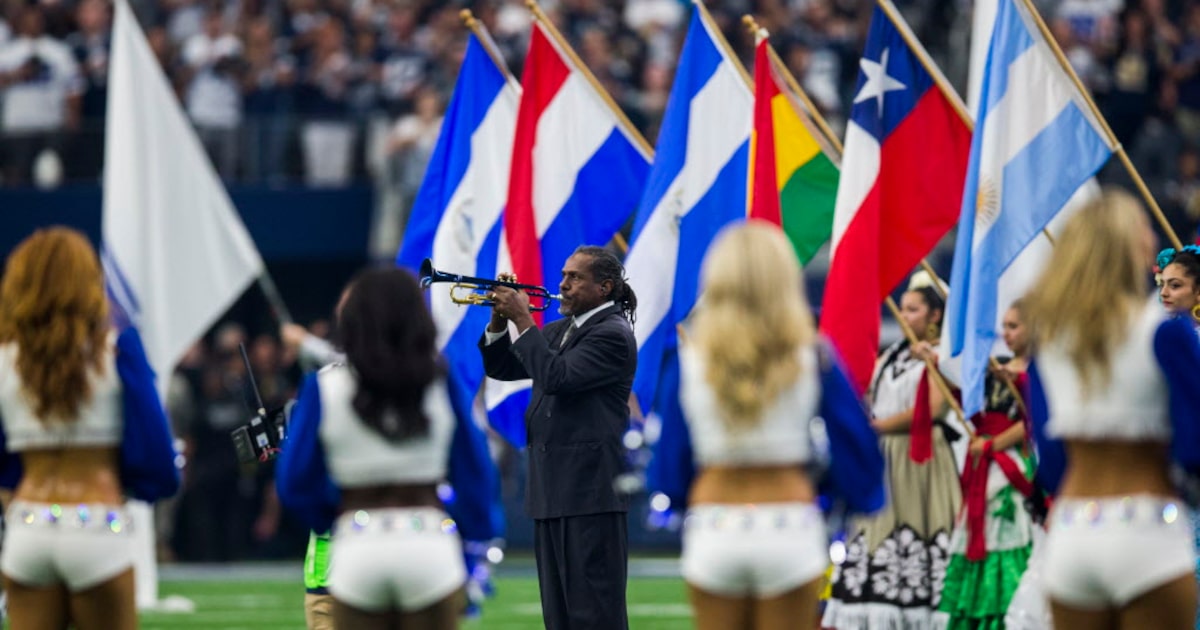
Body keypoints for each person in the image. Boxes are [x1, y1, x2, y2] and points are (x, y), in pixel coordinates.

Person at [672, 222, 884, 630]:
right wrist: (841, 496)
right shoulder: (814, 355)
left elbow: (672, 465)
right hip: (789, 524)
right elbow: (857, 449)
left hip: (715, 524)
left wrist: (683, 499)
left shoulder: (691, 361)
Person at [1024, 189, 1200, 629]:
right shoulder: (1164, 332)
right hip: (1147, 531)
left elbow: (1050, 464)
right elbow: (1194, 444)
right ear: (1133, 248)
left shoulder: (1048, 341)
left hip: (1073, 532)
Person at [277, 267, 478, 630]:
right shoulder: (441, 380)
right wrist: (469, 537)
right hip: (429, 546)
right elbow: (476, 475)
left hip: (358, 548)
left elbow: (294, 484)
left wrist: (332, 516)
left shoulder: (321, 386)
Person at [0, 227, 179, 630]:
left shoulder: (5, 358)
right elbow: (157, 458)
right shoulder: (118, 349)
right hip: (98, 525)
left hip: (27, 524)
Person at [479, 245, 637, 630]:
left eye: (574, 277)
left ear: (604, 288)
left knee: (594, 616)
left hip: (590, 495)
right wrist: (500, 321)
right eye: (564, 275)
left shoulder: (612, 333)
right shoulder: (566, 329)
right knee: (560, 618)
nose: (562, 285)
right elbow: (501, 367)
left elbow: (556, 377)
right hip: (553, 492)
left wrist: (523, 318)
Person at [822, 271, 963, 629]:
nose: (904, 316)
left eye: (914, 309)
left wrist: (878, 426)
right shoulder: (891, 357)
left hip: (921, 463)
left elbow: (933, 409)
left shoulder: (945, 357)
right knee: (876, 536)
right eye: (902, 308)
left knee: (920, 535)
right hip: (886, 462)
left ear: (935, 316)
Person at [936, 301, 1037, 628]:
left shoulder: (1041, 371)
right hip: (984, 465)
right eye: (1004, 326)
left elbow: (1033, 421)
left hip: (1015, 468)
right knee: (977, 534)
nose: (1006, 334)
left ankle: (1010, 615)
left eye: (1014, 326)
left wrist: (993, 444)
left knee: (1010, 534)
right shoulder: (997, 367)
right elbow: (966, 400)